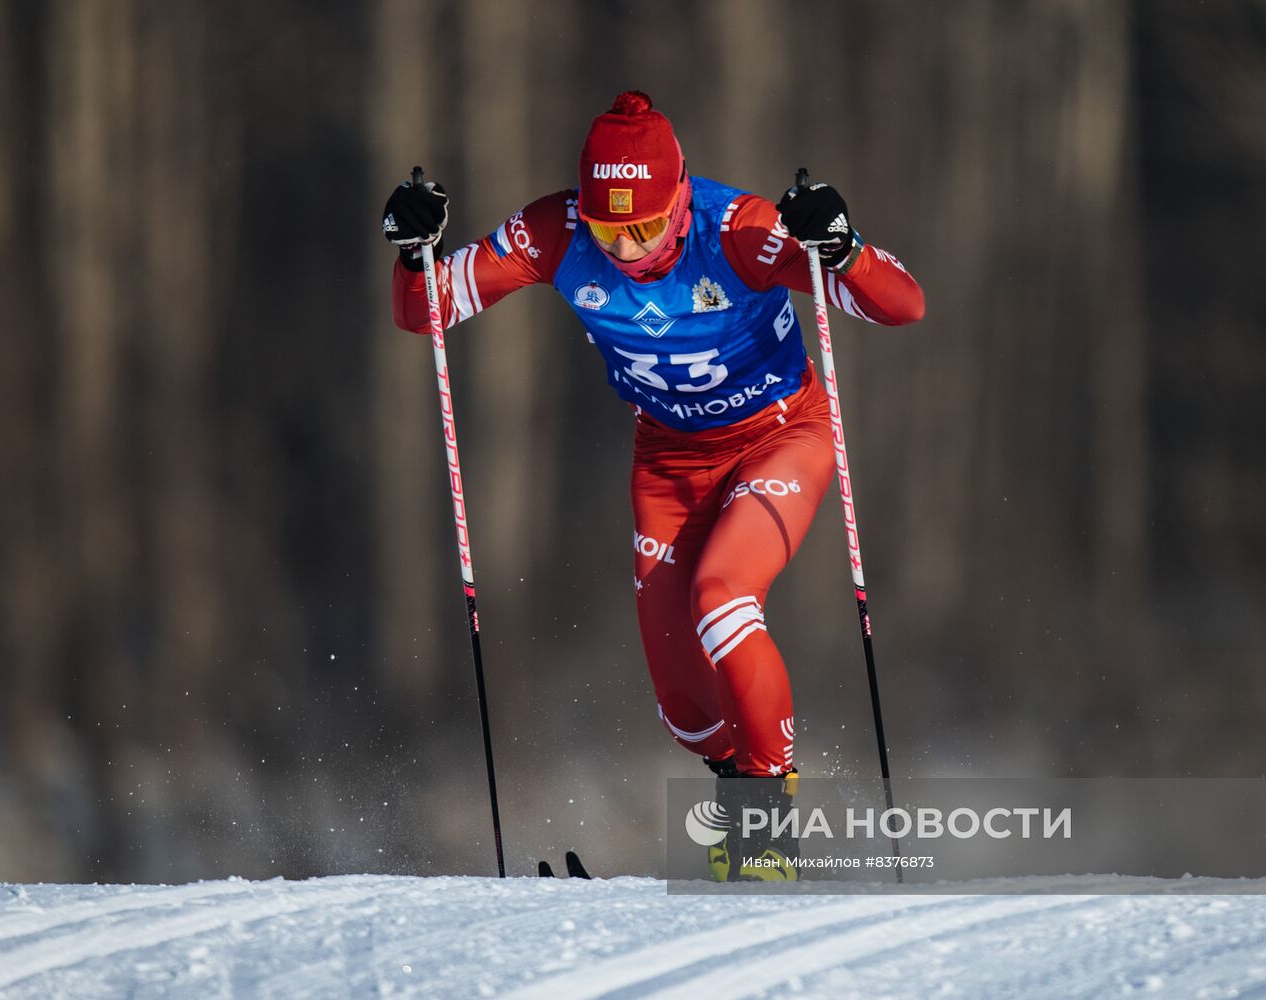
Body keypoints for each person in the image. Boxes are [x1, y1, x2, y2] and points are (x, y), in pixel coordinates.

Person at [383, 91, 924, 880]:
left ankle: (764, 834)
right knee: (686, 710)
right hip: (669, 461)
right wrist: (412, 253)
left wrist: (839, 248)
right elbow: (425, 312)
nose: (629, 248)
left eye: (643, 226)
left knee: (722, 599)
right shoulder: (553, 232)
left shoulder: (736, 230)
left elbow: (902, 306)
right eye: (610, 230)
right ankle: (740, 794)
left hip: (778, 436)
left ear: (678, 198)